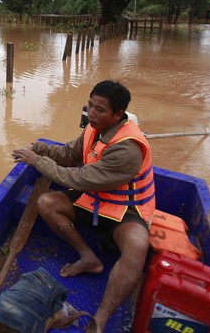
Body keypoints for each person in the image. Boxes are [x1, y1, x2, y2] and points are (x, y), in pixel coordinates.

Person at [10, 80, 155, 333]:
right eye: (90, 105)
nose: (91, 113)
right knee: (46, 202)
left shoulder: (127, 150)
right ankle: (88, 256)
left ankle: (99, 319)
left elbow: (74, 177)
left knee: (137, 247)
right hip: (94, 198)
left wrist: (37, 161)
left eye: (100, 109)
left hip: (125, 209)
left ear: (118, 114)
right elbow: (69, 154)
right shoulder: (93, 127)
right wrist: (38, 148)